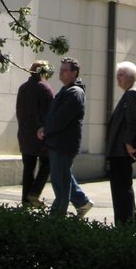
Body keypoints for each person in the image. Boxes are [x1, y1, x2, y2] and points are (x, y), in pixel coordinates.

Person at [38, 56, 94, 218]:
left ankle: (56, 219)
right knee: (63, 176)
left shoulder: (74, 92)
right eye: (60, 70)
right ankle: (82, 202)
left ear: (74, 73)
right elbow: (56, 116)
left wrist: (46, 130)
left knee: (60, 184)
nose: (60, 74)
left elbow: (62, 118)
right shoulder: (68, 90)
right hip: (59, 143)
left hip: (63, 144)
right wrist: (45, 128)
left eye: (64, 71)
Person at [106, 60, 136, 227]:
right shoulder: (130, 93)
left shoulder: (131, 94)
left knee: (121, 190)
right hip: (119, 151)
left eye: (120, 75)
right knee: (122, 189)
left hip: (121, 152)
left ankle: (125, 224)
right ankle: (129, 223)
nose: (117, 78)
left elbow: (134, 120)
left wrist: (129, 143)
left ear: (129, 77)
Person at [15, 60, 54, 207]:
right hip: (40, 134)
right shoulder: (45, 89)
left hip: (25, 134)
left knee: (28, 168)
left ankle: (26, 200)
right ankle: (34, 193)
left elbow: (19, 111)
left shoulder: (23, 88)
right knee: (47, 163)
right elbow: (51, 113)